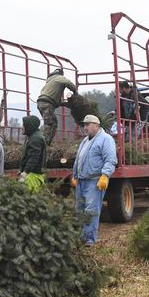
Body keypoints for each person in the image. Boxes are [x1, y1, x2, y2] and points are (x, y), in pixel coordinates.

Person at [71, 115, 118, 246]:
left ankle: (89, 240)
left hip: (95, 180)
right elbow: (78, 159)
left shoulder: (106, 139)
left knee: (91, 210)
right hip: (82, 181)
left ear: (96, 125)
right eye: (84, 125)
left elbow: (110, 160)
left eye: (88, 124)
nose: (85, 127)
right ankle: (80, 237)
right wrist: (75, 175)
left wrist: (105, 175)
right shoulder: (85, 141)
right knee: (79, 210)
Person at [37, 68, 77, 146]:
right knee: (50, 124)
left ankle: (46, 143)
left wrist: (65, 103)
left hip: (42, 103)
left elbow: (55, 101)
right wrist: (75, 91)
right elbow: (68, 82)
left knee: (52, 123)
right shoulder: (59, 78)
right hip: (47, 103)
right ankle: (43, 144)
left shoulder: (50, 81)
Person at [18, 115, 47, 192]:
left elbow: (34, 157)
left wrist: (25, 172)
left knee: (30, 199)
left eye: (24, 125)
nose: (22, 127)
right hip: (32, 174)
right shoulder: (33, 137)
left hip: (32, 176)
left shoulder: (35, 139)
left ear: (29, 126)